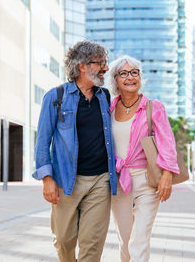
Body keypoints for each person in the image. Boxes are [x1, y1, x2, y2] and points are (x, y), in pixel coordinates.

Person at [33, 40, 117, 262]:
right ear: (82, 66)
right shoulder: (55, 97)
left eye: (105, 63)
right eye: (100, 63)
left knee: (92, 243)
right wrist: (47, 180)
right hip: (66, 180)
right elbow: (43, 141)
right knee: (63, 240)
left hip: (100, 180)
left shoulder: (104, 97)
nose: (105, 68)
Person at [108, 55, 180, 262]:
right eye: (124, 73)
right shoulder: (109, 108)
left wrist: (167, 175)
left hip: (146, 182)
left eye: (134, 72)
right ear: (115, 80)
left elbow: (167, 143)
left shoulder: (153, 106)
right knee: (125, 239)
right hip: (118, 182)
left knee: (139, 239)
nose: (130, 77)